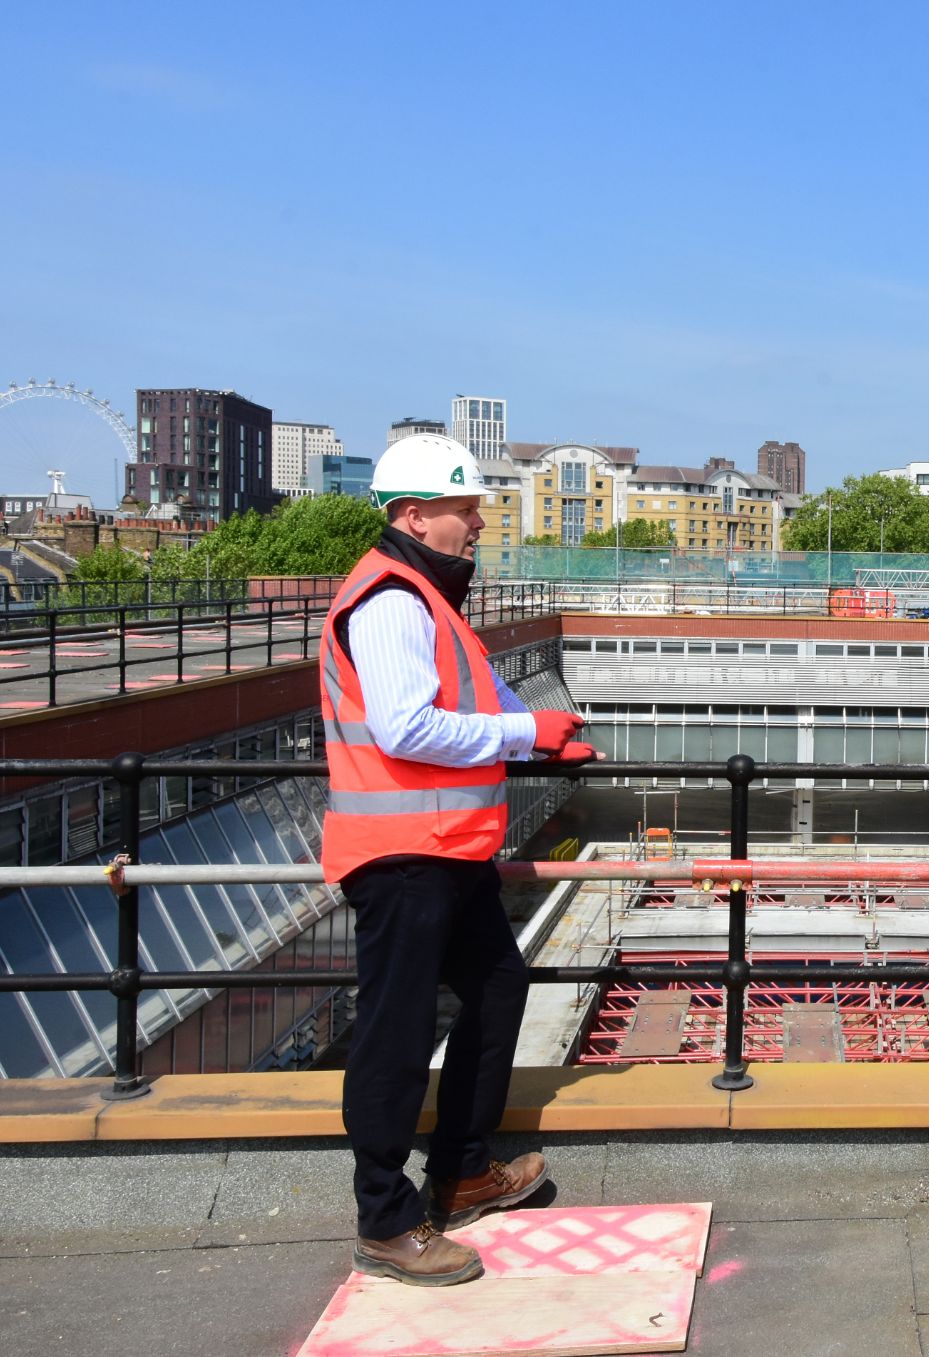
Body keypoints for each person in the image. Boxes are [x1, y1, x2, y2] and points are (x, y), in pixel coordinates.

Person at [321, 433, 599, 1287]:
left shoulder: (429, 600)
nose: (478, 522)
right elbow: (406, 727)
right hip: (403, 855)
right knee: (396, 1032)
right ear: (413, 515)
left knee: (497, 986)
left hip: (447, 849)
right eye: (464, 508)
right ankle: (385, 1218)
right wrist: (527, 732)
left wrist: (543, 735)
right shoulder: (394, 600)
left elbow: (467, 700)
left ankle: (463, 1170)